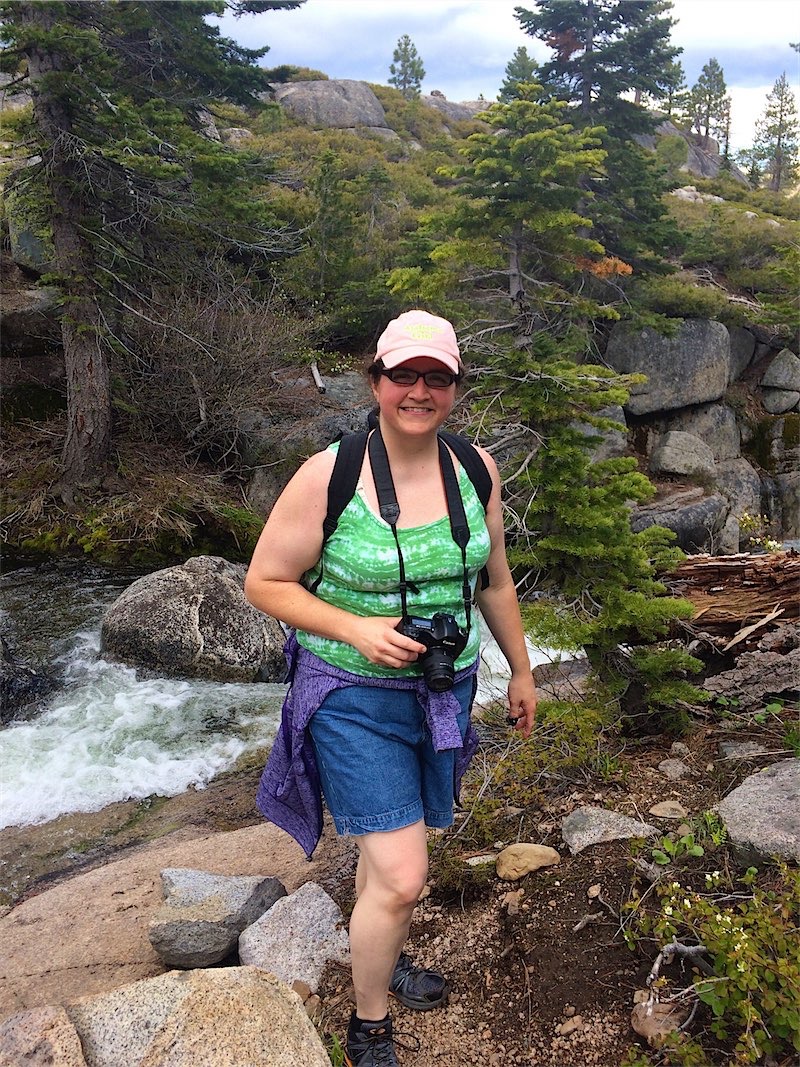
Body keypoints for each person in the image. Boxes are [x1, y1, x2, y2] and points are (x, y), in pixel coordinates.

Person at [244, 309, 537, 1067]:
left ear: (455, 388)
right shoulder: (330, 474)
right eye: (404, 374)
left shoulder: (474, 468)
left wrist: (521, 668)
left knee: (391, 855)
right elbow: (264, 582)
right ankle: (368, 1026)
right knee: (405, 875)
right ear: (375, 381)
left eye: (437, 377)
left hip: (442, 688)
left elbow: (494, 580)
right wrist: (356, 629)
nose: (420, 391)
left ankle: (379, 942)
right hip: (351, 694)